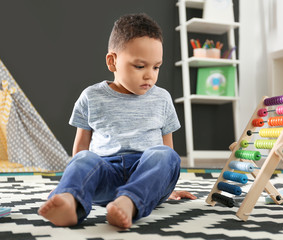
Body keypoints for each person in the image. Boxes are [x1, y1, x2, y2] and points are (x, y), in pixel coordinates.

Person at [38, 13, 196, 229]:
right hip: (105, 176)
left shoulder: (162, 98)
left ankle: (130, 203)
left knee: (165, 154)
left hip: (146, 175)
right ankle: (69, 201)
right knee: (84, 159)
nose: (150, 75)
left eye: (156, 67)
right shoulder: (91, 96)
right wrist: (71, 183)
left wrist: (164, 186)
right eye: (140, 66)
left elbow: (166, 147)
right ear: (112, 61)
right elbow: (81, 147)